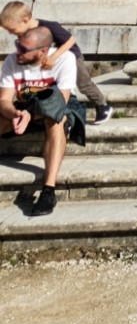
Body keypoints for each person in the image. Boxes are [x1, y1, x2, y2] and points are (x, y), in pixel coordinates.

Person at [0, 24, 86, 216]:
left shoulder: (65, 59)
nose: (18, 52)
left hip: (56, 107)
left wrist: (30, 114)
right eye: (17, 45)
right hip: (23, 108)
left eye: (23, 49)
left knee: (57, 121)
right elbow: (4, 100)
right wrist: (15, 114)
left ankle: (48, 190)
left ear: (42, 52)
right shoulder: (12, 61)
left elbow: (60, 102)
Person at [0, 1, 112, 123]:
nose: (11, 33)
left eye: (12, 29)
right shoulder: (23, 32)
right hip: (51, 63)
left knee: (83, 84)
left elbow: (70, 40)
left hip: (71, 57)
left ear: (25, 20)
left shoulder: (49, 26)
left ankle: (102, 106)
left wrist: (54, 57)